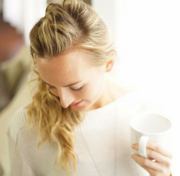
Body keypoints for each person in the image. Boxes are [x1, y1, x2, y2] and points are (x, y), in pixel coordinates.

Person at [6, 0, 173, 176]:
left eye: (76, 87)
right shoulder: (24, 128)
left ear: (108, 63)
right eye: (51, 86)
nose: (64, 102)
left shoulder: (147, 116)